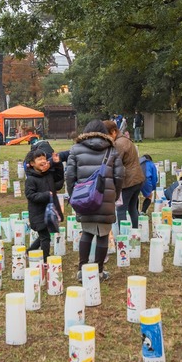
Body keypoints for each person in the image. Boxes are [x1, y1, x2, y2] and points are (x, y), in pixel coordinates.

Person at [66, 119, 125, 281]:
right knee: (103, 235)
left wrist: (74, 196)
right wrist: (114, 194)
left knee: (86, 232)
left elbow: (70, 176)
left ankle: (81, 270)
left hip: (84, 197)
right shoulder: (112, 150)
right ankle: (99, 271)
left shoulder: (75, 149)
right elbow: (119, 176)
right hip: (106, 198)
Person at [25, 148, 64, 262]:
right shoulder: (31, 179)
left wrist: (57, 164)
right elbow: (31, 195)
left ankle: (30, 251)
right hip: (38, 212)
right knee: (45, 237)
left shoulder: (48, 174)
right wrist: (46, 195)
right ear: (32, 163)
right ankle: (46, 260)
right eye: (39, 159)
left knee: (45, 234)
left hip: (50, 210)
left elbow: (59, 181)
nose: (43, 161)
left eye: (44, 158)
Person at [105, 120, 144, 228]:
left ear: (113, 132)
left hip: (129, 181)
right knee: (132, 208)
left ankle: (124, 237)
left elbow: (114, 163)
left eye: (106, 135)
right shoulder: (126, 140)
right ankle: (135, 231)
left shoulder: (119, 144)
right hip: (137, 179)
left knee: (121, 209)